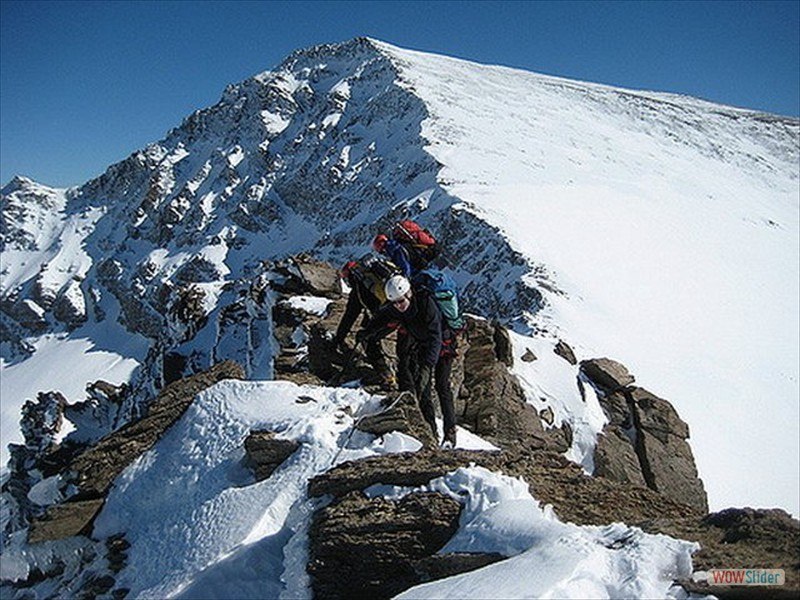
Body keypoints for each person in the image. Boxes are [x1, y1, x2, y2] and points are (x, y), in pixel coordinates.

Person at [358, 274, 457, 447]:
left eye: (401, 302)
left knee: (442, 385)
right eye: (395, 303)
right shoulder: (396, 306)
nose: (398, 306)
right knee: (423, 391)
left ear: (409, 294)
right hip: (422, 346)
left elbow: (436, 336)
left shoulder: (427, 304)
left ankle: (450, 433)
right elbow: (382, 319)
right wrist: (367, 332)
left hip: (444, 345)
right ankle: (430, 432)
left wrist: (427, 365)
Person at [332, 256, 398, 388]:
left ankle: (385, 375)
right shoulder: (375, 277)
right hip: (402, 306)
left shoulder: (358, 289)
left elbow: (349, 318)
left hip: (390, 315)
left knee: (367, 338)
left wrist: (338, 339)